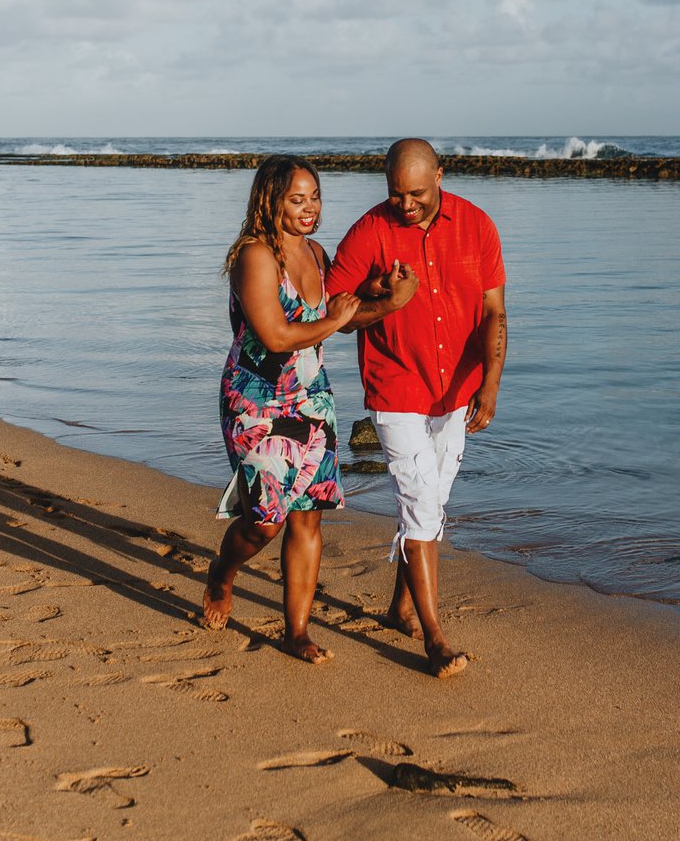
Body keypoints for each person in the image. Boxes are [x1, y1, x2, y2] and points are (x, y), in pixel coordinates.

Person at [203, 154, 416, 662]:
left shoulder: (318, 254)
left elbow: (339, 315)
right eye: (297, 199)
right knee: (264, 522)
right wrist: (337, 317)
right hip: (256, 402)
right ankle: (222, 573)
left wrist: (381, 299)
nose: (310, 208)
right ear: (270, 201)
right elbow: (277, 336)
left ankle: (296, 632)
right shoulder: (255, 256)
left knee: (307, 518)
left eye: (315, 197)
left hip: (312, 398)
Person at [327, 138, 507, 678]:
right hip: (396, 387)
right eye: (396, 194)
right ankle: (435, 639)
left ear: (440, 177)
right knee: (422, 503)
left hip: (457, 391)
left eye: (417, 194)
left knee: (432, 503)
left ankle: (399, 607)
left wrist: (491, 382)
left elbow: (494, 312)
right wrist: (386, 301)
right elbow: (333, 315)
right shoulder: (368, 232)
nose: (405, 205)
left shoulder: (477, 226)